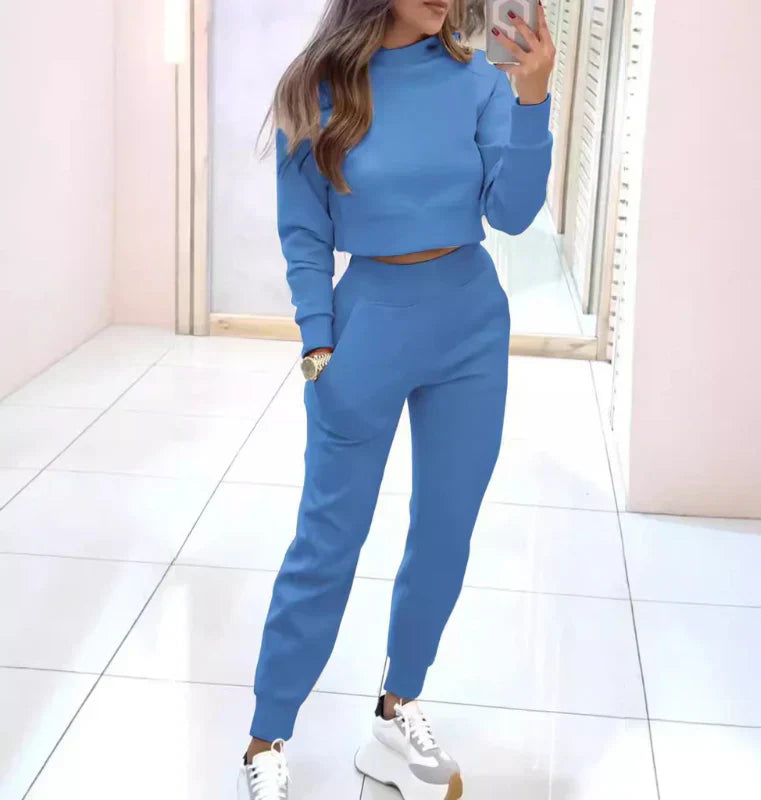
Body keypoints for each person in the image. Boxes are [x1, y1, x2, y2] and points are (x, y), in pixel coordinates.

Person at [238, 0, 554, 797]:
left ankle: (396, 709)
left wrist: (533, 98)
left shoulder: (479, 82)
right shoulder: (315, 88)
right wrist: (318, 342)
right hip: (367, 329)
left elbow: (512, 214)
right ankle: (265, 739)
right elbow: (304, 229)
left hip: (470, 325)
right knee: (327, 542)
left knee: (445, 532)